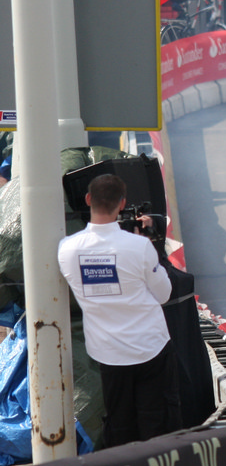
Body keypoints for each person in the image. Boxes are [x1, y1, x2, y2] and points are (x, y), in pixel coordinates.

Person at [58, 175, 181, 447]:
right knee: (158, 425)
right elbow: (164, 294)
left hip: (108, 353)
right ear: (122, 203)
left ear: (88, 199)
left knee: (119, 426)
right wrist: (150, 247)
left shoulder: (67, 249)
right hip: (151, 348)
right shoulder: (139, 246)